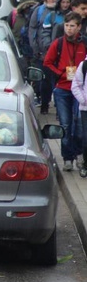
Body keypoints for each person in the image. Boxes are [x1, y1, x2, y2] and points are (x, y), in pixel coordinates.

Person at [44, 12, 86, 171]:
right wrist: (59, 73)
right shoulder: (58, 43)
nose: (69, 29)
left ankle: (79, 154)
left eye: (72, 26)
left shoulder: (84, 43)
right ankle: (68, 158)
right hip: (62, 89)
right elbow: (47, 63)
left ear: (79, 27)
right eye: (67, 26)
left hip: (80, 91)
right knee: (66, 124)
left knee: (80, 124)